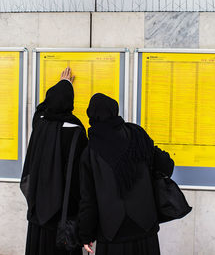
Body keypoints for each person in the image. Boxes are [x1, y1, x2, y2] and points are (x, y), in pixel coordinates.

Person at [78, 93, 175, 255]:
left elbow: (89, 200)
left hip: (112, 234)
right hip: (145, 228)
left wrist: (86, 235)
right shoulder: (137, 134)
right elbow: (166, 165)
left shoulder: (90, 152)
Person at [20, 67, 87, 255]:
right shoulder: (77, 131)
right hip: (63, 214)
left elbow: (41, 109)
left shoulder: (40, 125)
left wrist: (62, 84)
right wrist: (67, 85)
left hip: (38, 210)